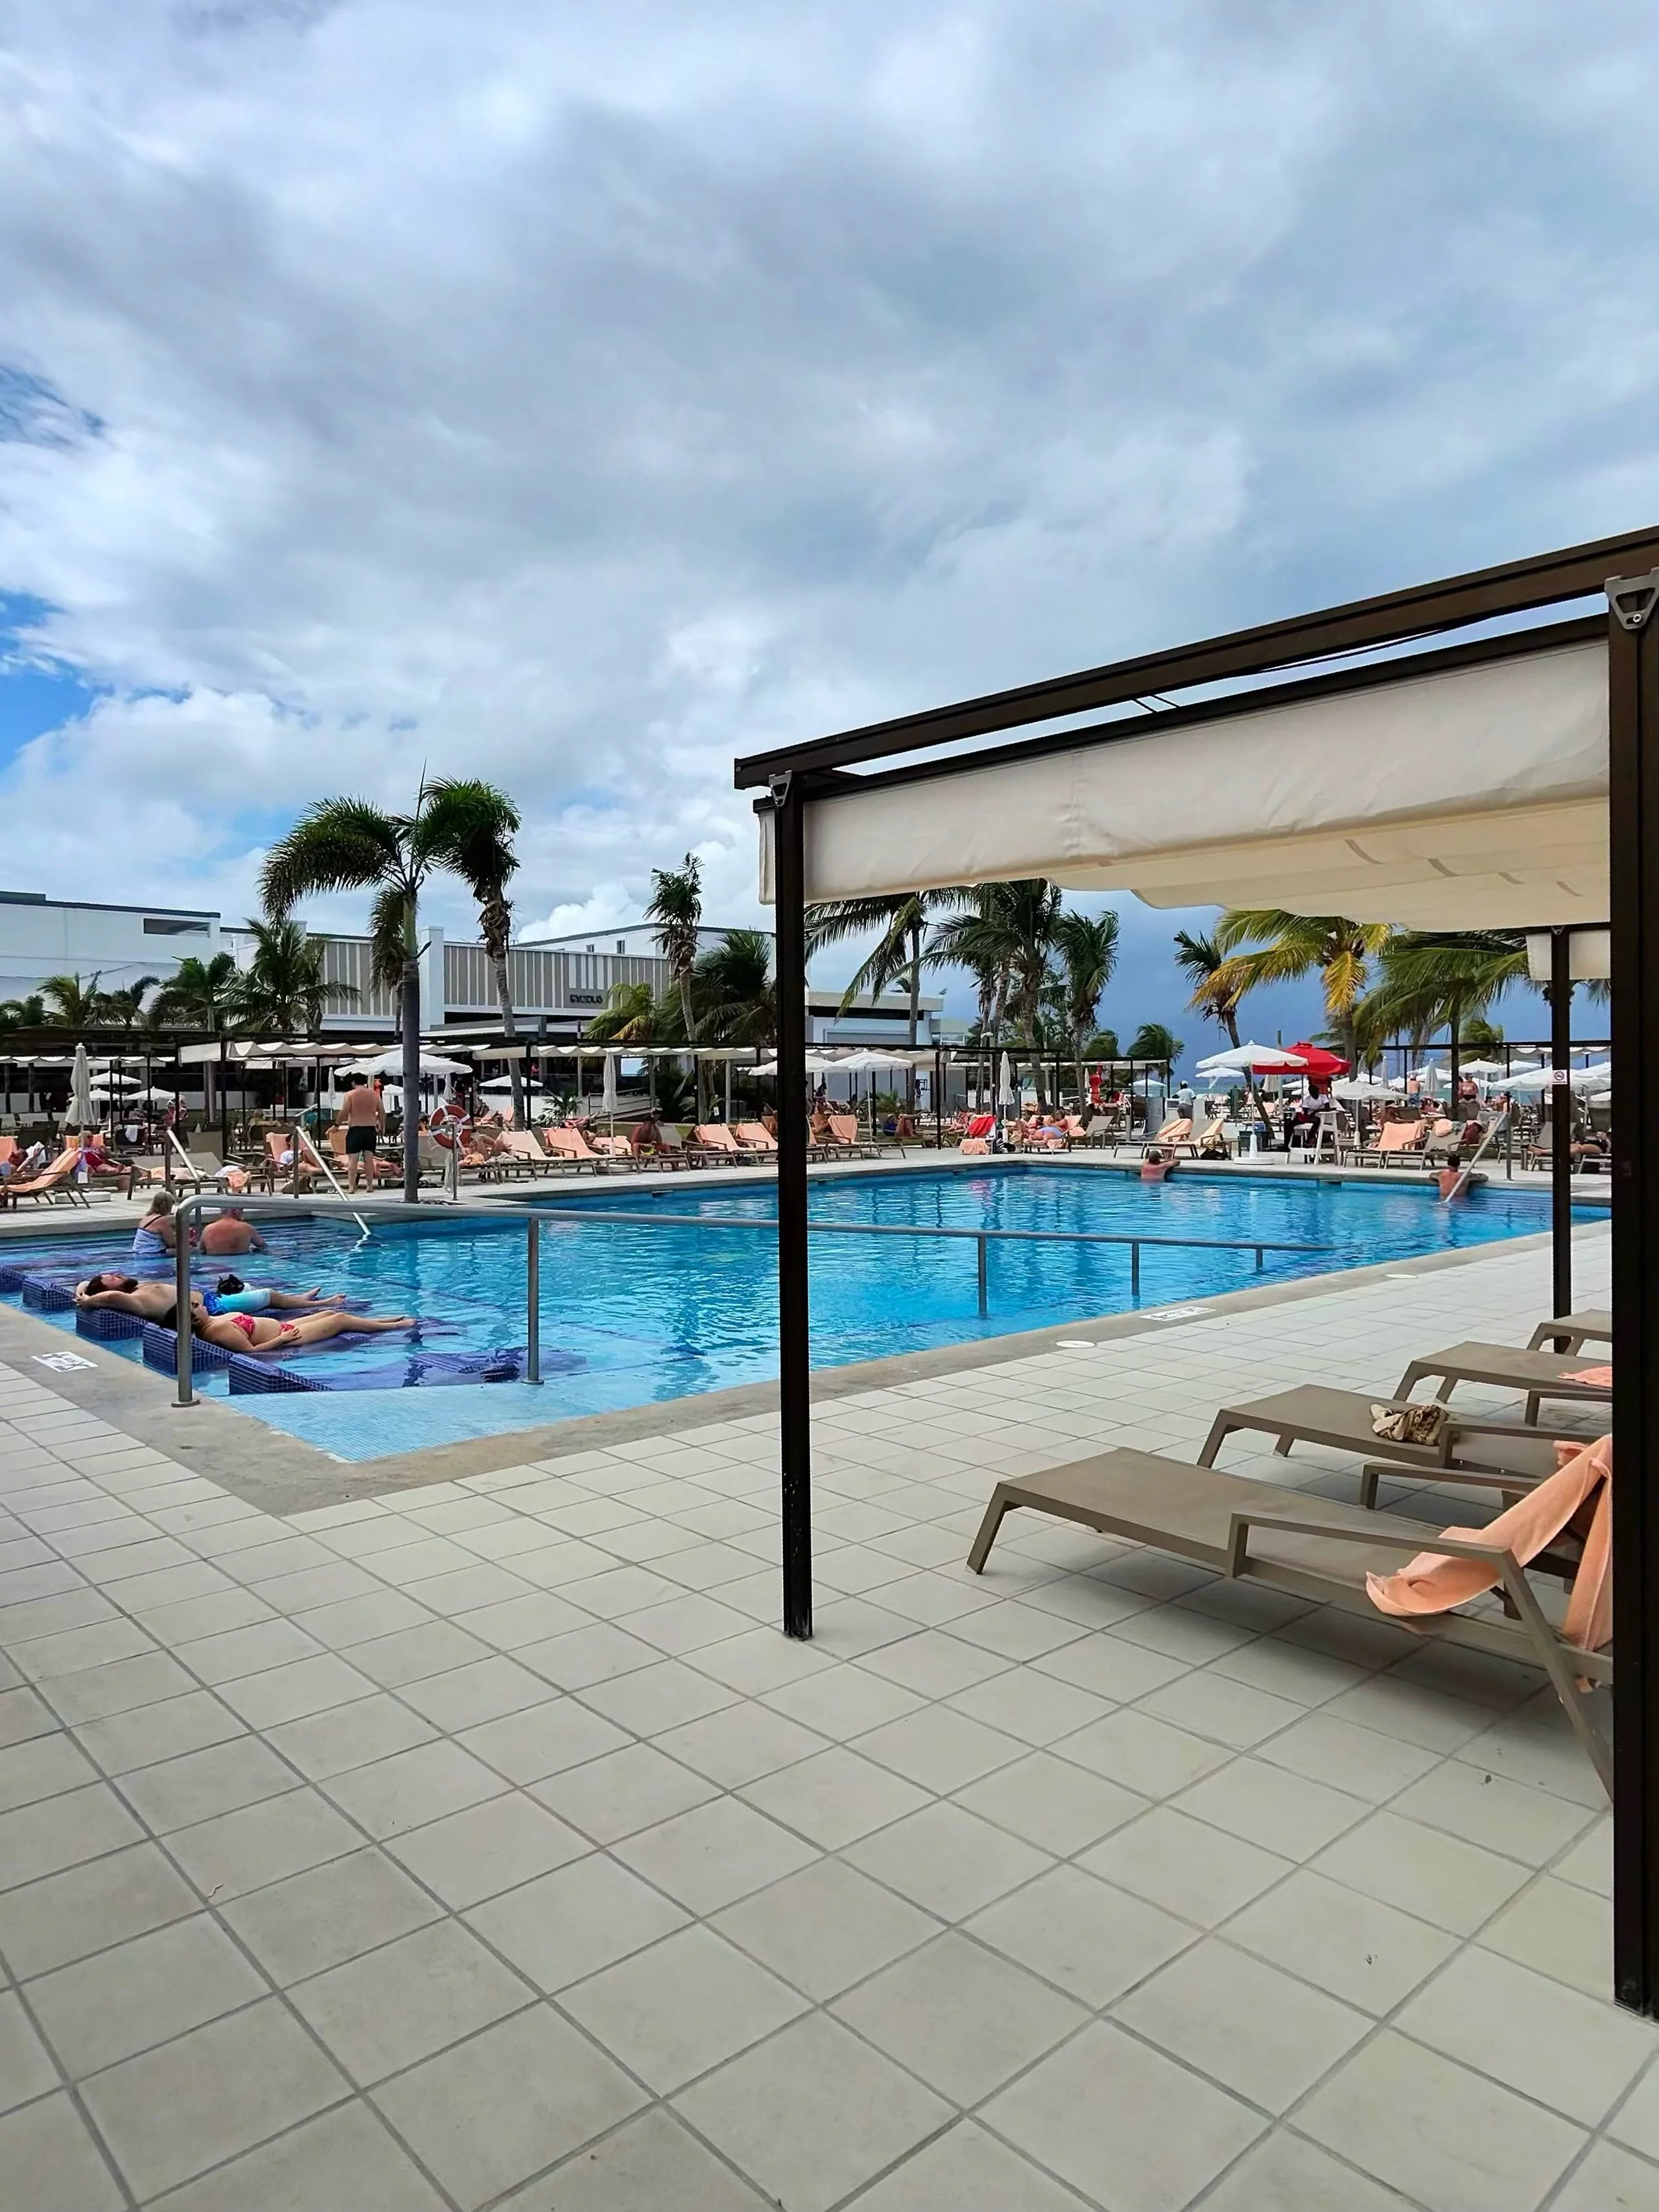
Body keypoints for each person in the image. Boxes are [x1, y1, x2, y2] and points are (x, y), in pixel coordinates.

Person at [188, 1290, 415, 1356]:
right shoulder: (218, 1329)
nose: (199, 1304)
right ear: (196, 1320)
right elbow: (251, 1351)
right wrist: (282, 1339)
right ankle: (392, 1327)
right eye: (195, 1307)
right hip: (290, 1337)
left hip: (286, 1330)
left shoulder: (213, 1321)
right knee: (339, 1319)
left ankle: (377, 1321)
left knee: (328, 1312)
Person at [336, 1073, 385, 1192]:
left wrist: (337, 1124)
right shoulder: (374, 1095)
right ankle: (370, 1186)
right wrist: (383, 1126)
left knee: (353, 1160)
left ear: (353, 1083)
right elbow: (382, 1112)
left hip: (355, 1129)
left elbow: (345, 1111)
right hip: (370, 1129)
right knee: (369, 1159)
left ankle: (352, 1187)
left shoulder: (350, 1095)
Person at [200, 1206, 267, 1257]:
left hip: (214, 1265)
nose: (243, 1213)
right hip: (240, 1264)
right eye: (242, 1210)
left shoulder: (208, 1229)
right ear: (234, 1211)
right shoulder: (246, 1228)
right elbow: (262, 1245)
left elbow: (201, 1250)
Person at [132, 1191, 177, 1259]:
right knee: (188, 1249)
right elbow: (171, 1243)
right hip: (152, 1253)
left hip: (138, 1252)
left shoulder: (146, 1216)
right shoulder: (162, 1220)